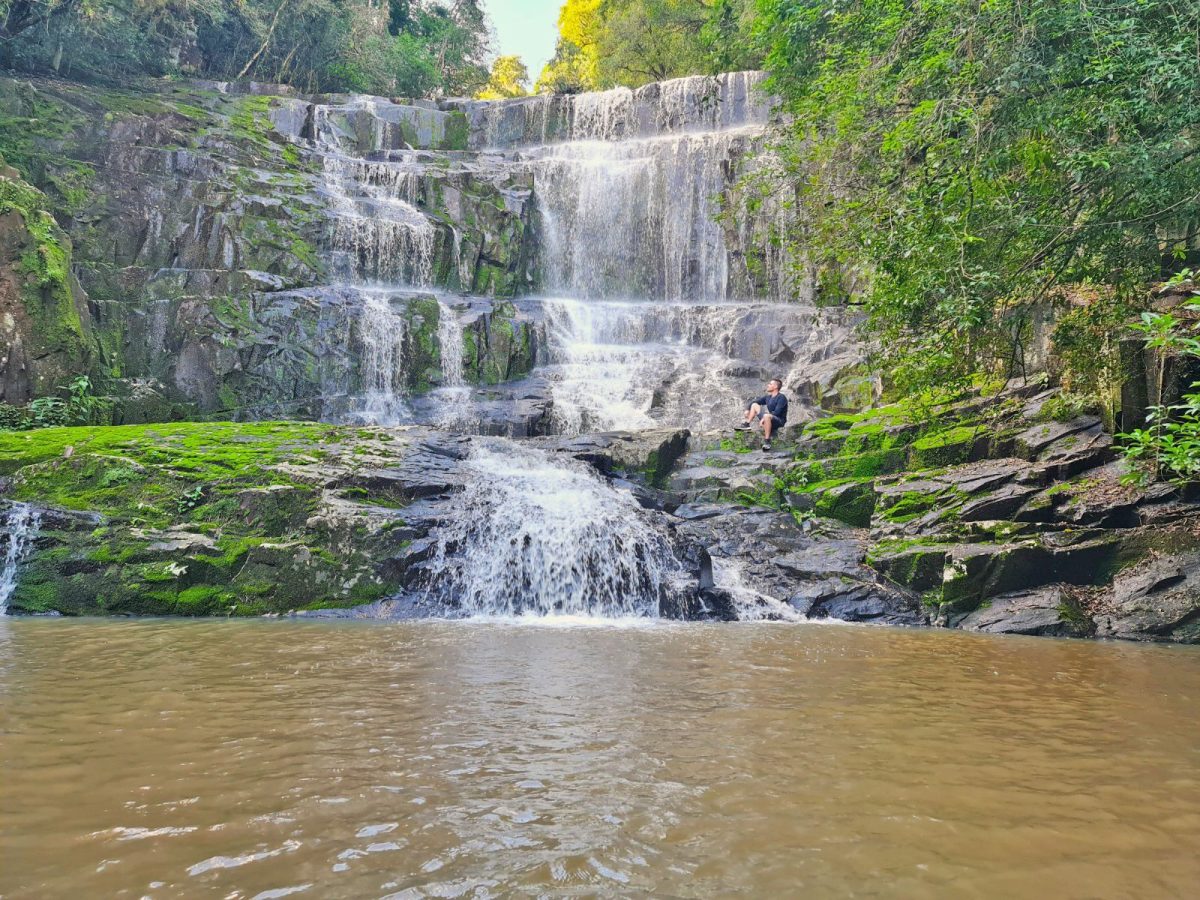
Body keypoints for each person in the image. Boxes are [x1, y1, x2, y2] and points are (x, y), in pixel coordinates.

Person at [735, 378, 788, 451]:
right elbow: (755, 401)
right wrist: (747, 409)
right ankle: (747, 425)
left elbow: (777, 412)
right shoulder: (768, 397)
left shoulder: (781, 397)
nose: (768, 385)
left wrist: (763, 419)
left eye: (770, 384)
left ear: (775, 387)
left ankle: (767, 442)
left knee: (766, 415)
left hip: (779, 421)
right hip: (768, 418)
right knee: (754, 405)